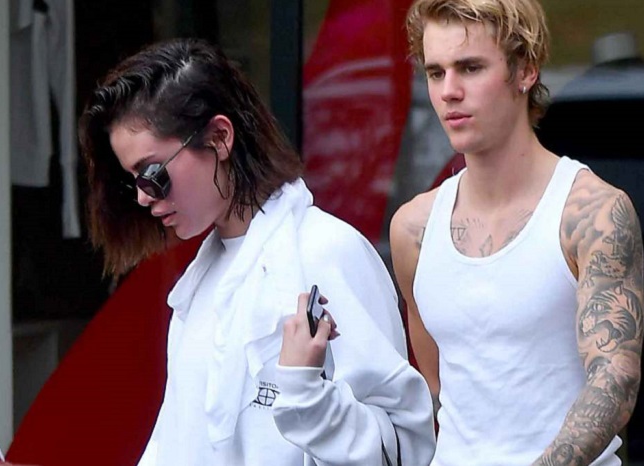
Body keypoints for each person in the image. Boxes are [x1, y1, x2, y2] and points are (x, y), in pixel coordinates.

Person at [79, 38, 435, 465]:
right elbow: (177, 439)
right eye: (131, 180)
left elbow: (401, 448)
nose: (142, 196)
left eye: (152, 173)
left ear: (219, 137)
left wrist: (307, 396)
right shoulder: (199, 283)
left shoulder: (326, 252)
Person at [389, 1, 644, 465]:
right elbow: (438, 383)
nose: (449, 91)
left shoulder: (591, 212)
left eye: (470, 68)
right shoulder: (414, 229)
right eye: (435, 72)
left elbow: (615, 380)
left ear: (525, 71)